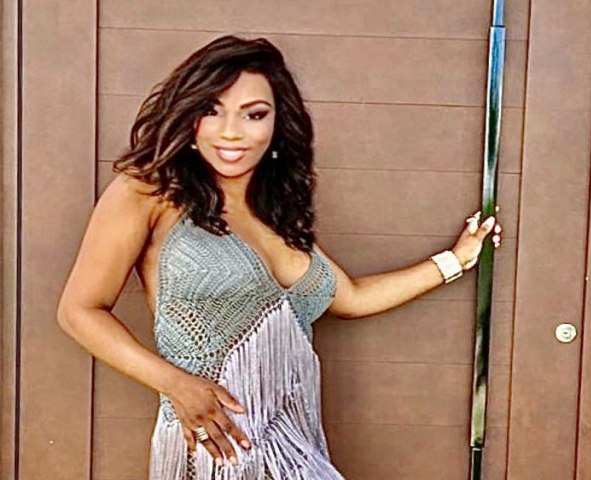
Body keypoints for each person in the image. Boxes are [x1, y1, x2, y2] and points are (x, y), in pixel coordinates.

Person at [56, 35, 502, 480]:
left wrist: (457, 260)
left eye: (254, 114)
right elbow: (79, 310)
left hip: (295, 446)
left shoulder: (277, 214)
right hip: (217, 448)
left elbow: (351, 298)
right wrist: (175, 384)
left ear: (276, 124)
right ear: (189, 116)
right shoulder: (149, 192)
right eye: (212, 110)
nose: (231, 131)